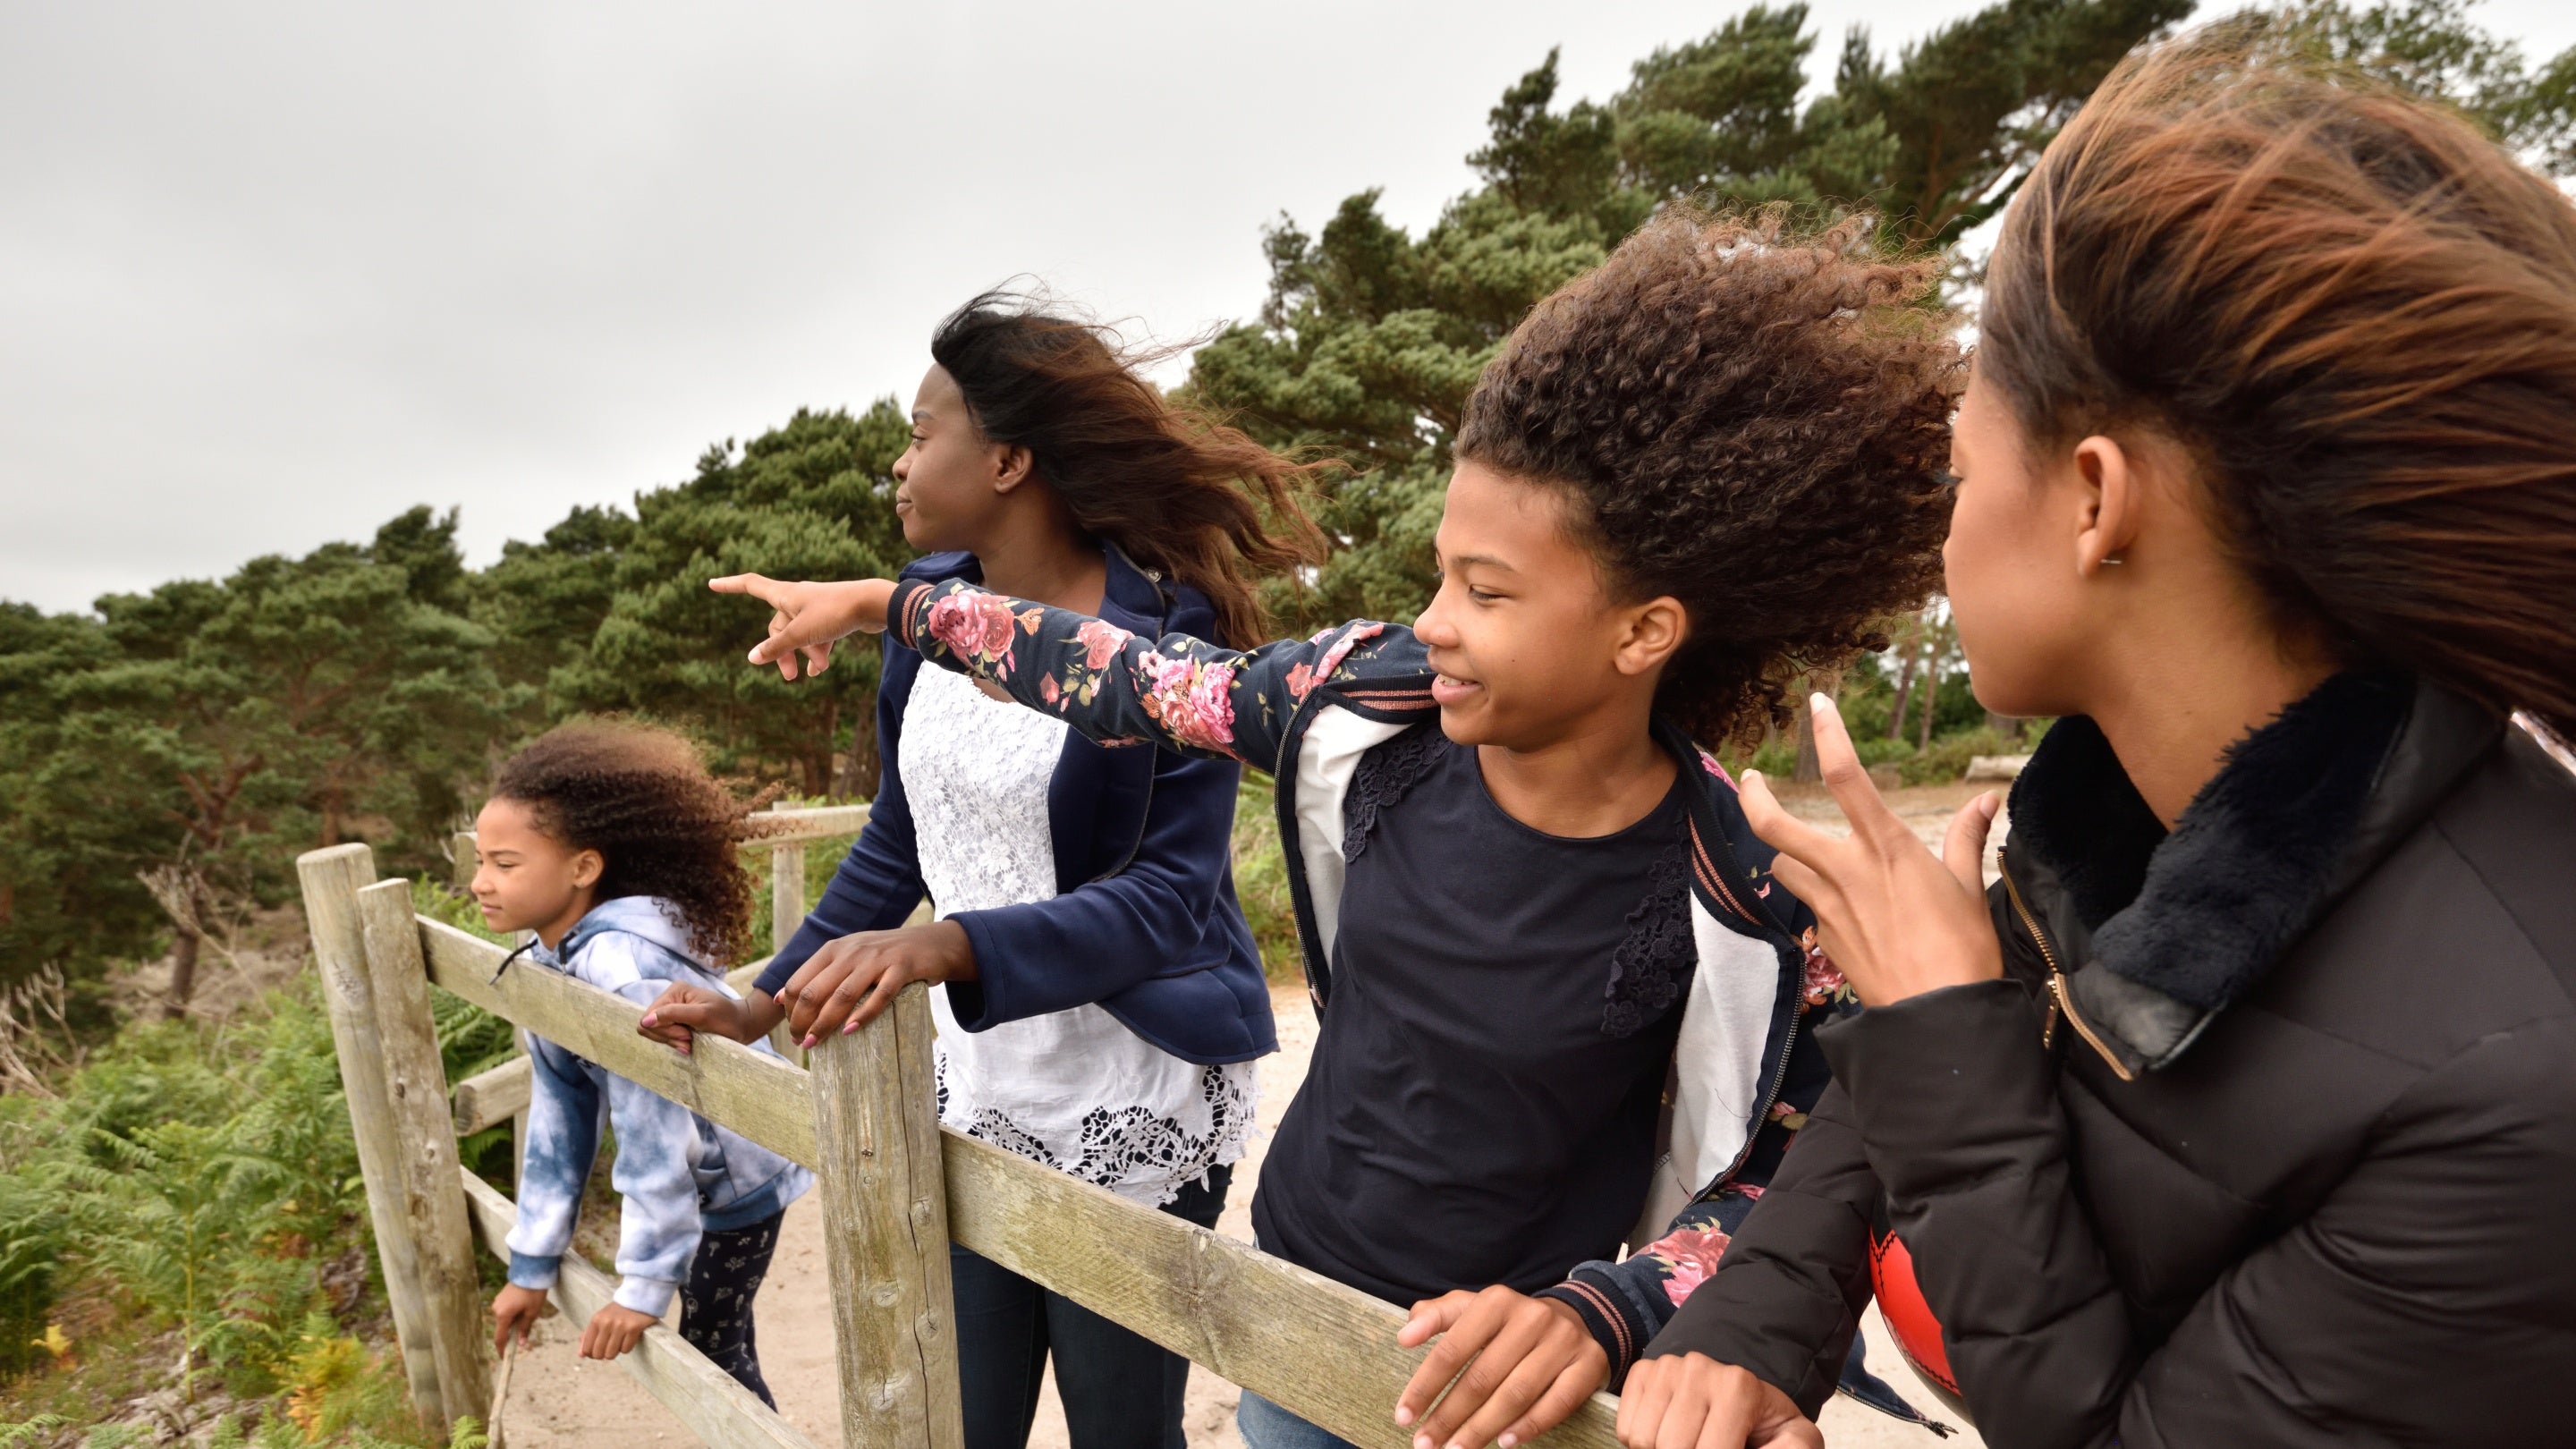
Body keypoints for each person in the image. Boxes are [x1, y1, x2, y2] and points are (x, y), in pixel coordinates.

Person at [705, 209, 1963, 1449]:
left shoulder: (1750, 893)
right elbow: (1129, 677)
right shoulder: (1362, 704)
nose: (1437, 621)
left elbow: (1796, 1178)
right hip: (1294, 1310)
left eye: (1487, 592)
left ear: (1644, 633)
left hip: (1516, 1394)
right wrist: (889, 607)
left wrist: (1611, 1308)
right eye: (1441, 573)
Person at [1619, 30, 2576, 1449]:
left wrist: (1940, 1037)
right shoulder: (2131, 810)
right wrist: (1764, 1316)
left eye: (1956, 469)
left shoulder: (2522, 1090)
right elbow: (1955, 1069)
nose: (1943, 532)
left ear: (2092, 500)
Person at [638, 293, 1326, 1449]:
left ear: (1007, 460)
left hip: (1131, 1093)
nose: (898, 465)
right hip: (972, 1089)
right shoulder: (927, 616)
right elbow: (897, 846)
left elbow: (1169, 903)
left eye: (920, 435)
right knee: (965, 1423)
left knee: (1121, 1436)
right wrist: (757, 1004)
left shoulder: (1171, 630)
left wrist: (948, 945)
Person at [478, 722, 813, 1407]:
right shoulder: (551, 960)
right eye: (480, 861)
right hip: (700, 1170)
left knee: (714, 1351)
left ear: (583, 869)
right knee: (721, 1346)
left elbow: (654, 1130)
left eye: (505, 865)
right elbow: (559, 1118)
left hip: (737, 1175)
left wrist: (643, 1285)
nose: (481, 883)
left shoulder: (622, 970)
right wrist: (532, 1262)